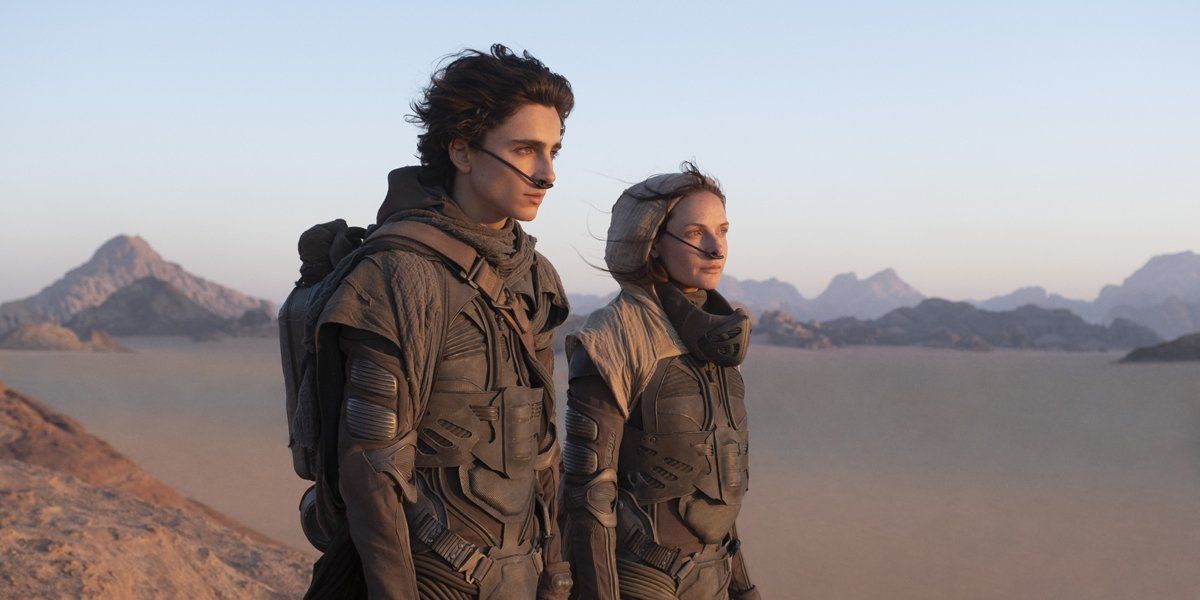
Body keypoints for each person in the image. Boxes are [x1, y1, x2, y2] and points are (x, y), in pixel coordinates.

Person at [305, 44, 574, 599]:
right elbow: (372, 473)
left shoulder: (535, 276)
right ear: (462, 151)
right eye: (525, 150)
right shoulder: (399, 276)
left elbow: (543, 451)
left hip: (520, 578)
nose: (547, 174)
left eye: (554, 151)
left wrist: (556, 574)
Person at [560, 163, 761, 599]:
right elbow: (588, 496)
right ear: (651, 245)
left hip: (715, 578)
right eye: (694, 234)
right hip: (643, 582)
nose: (716, 248)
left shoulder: (716, 339)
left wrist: (743, 587)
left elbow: (714, 481)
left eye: (722, 230)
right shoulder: (613, 337)